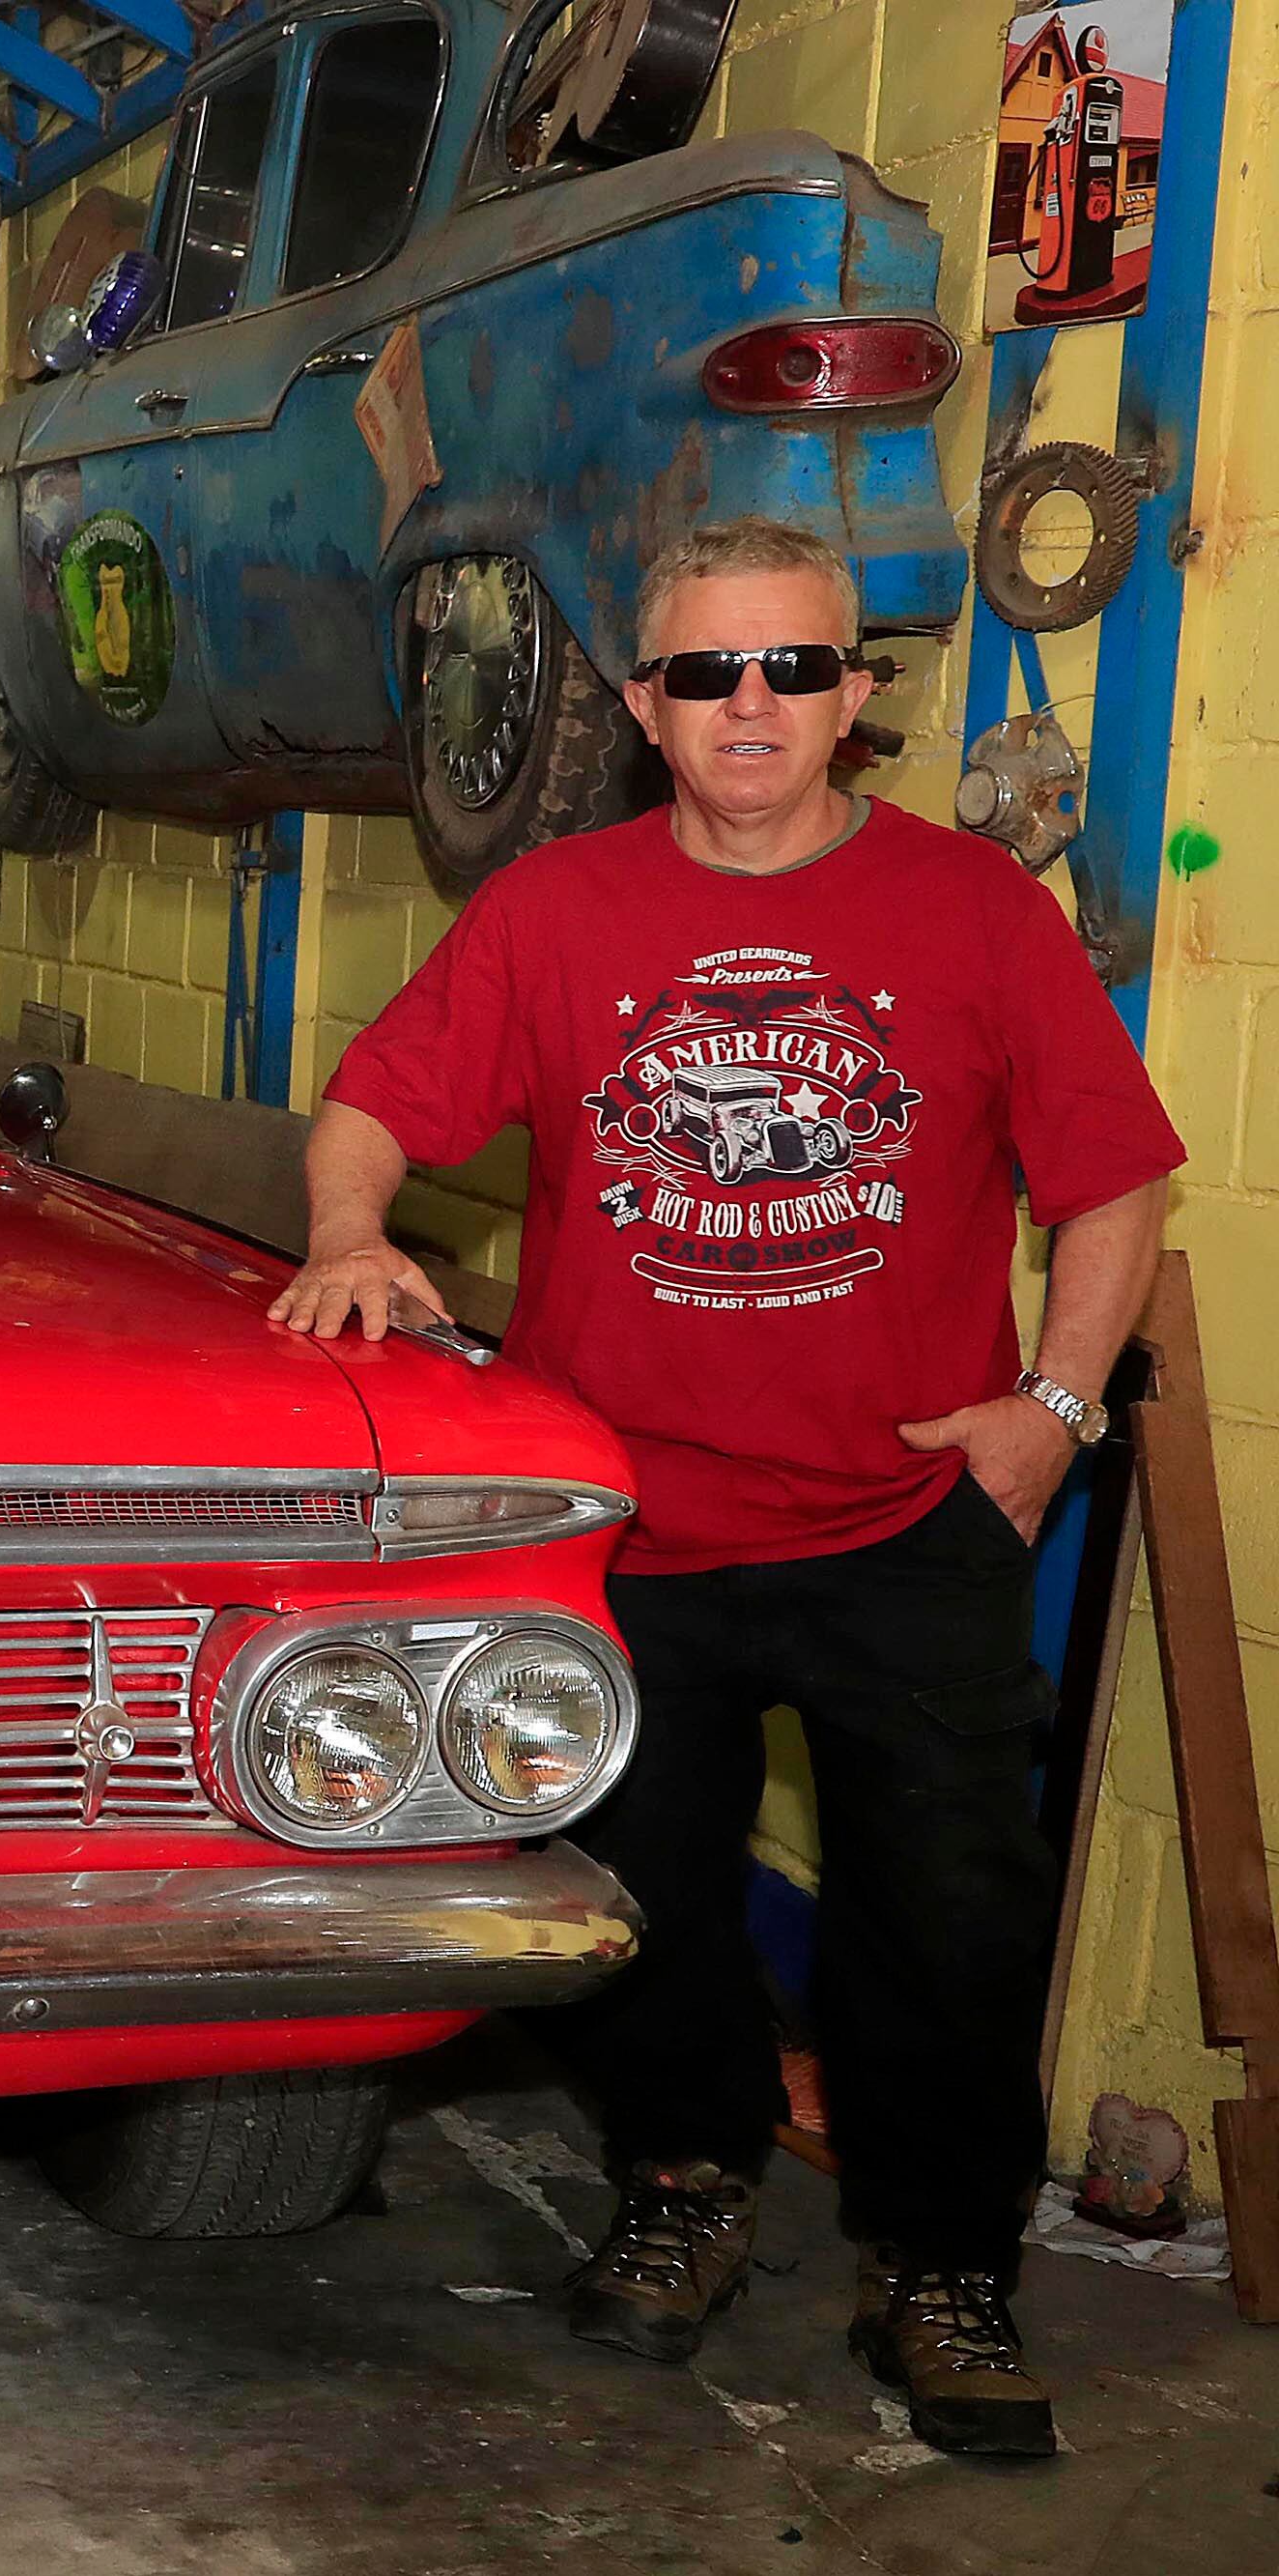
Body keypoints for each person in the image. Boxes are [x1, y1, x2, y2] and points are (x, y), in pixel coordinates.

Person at [269, 518, 1177, 2460]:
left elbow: (1107, 1177)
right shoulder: (550, 912)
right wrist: (351, 1225)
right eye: (702, 673)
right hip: (623, 1527)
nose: (746, 704)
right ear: (638, 704)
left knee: (939, 1925)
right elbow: (373, 1094)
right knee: (635, 1903)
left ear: (854, 698)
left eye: (788, 669)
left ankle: (943, 2265)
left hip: (906, 1518)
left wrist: (1051, 1405)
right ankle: (682, 2179)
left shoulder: (969, 912)